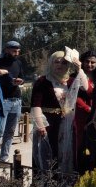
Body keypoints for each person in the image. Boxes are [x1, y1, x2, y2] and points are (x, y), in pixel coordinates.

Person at [31, 49, 87, 177]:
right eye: (57, 62)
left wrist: (79, 67)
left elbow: (85, 87)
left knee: (66, 156)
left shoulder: (71, 81)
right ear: (51, 63)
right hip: (48, 125)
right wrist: (40, 125)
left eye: (64, 63)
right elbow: (36, 105)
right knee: (49, 157)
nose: (60, 65)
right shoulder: (42, 81)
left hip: (67, 125)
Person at [0, 40, 26, 170]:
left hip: (16, 100)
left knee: (10, 132)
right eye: (13, 51)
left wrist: (20, 81)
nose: (16, 53)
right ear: (6, 49)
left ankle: (3, 159)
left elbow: (22, 77)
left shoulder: (18, 63)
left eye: (18, 51)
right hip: (3, 100)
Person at [74, 50, 96, 173]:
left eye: (93, 62)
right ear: (82, 63)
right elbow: (75, 97)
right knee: (81, 145)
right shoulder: (76, 76)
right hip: (82, 116)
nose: (89, 65)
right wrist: (88, 109)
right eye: (87, 62)